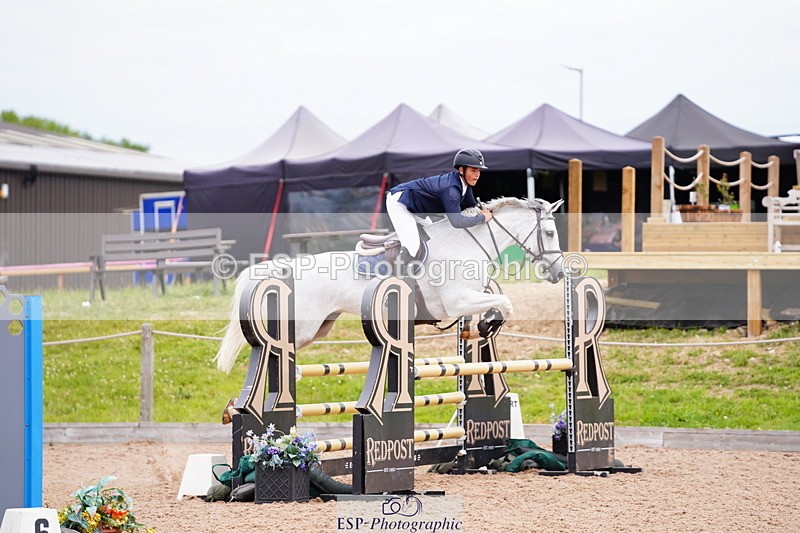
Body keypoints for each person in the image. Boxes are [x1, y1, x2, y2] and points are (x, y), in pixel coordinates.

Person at [386, 148, 493, 271]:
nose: (477, 175)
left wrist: (489, 211)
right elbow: (457, 222)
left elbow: (474, 207)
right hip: (400, 202)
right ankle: (394, 275)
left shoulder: (465, 186)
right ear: (461, 170)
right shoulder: (451, 190)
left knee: (435, 240)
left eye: (479, 171)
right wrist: (482, 218)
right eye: (473, 170)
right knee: (412, 246)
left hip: (416, 208)